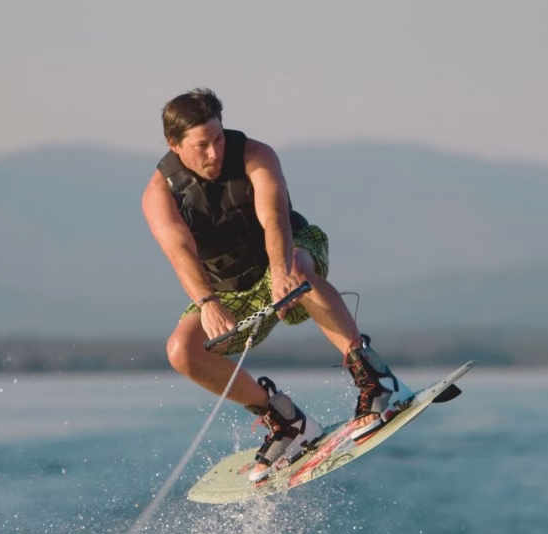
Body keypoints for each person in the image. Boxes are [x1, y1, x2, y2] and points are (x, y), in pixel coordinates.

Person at [141, 88, 410, 482]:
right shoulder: (158, 195)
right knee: (182, 351)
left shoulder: (256, 155)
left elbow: (274, 218)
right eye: (202, 146)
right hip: (226, 291)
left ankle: (377, 379)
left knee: (297, 267)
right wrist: (208, 302)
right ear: (174, 144)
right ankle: (286, 421)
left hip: (290, 251)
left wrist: (281, 269)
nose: (215, 153)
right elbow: (180, 254)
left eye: (218, 139)